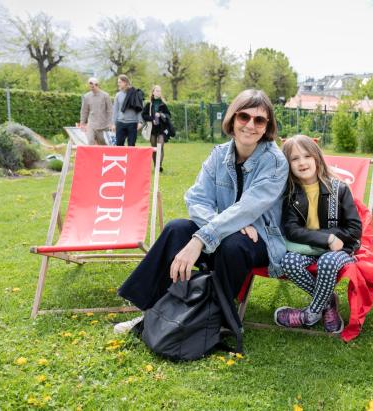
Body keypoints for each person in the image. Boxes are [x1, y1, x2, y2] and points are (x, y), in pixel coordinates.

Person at [114, 89, 289, 334]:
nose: (251, 125)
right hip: (224, 229)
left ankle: (212, 318)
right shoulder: (219, 154)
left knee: (233, 244)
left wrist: (202, 238)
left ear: (267, 125)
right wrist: (220, 225)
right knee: (177, 228)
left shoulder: (274, 161)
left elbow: (249, 207)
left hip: (261, 239)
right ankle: (150, 310)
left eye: (259, 120)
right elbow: (196, 198)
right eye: (244, 117)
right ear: (232, 118)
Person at [274, 135, 362, 334]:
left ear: (317, 158)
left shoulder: (339, 189)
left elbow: (355, 229)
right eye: (294, 159)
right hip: (309, 247)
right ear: (288, 164)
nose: (302, 162)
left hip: (341, 249)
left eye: (306, 156)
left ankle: (309, 315)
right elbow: (292, 230)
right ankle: (328, 302)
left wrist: (333, 240)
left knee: (327, 263)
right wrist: (326, 238)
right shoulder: (290, 194)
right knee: (288, 262)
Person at [142, 85, 172, 172]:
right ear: (153, 92)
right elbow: (144, 115)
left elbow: (168, 115)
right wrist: (152, 119)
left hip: (162, 129)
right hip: (152, 129)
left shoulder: (163, 104)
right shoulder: (149, 104)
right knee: (154, 148)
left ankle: (159, 166)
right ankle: (156, 166)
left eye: (160, 91)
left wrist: (161, 115)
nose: (159, 92)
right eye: (157, 91)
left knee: (160, 146)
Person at [111, 74, 142, 146]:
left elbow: (139, 108)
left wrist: (140, 121)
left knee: (131, 145)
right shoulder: (118, 95)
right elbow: (115, 110)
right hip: (120, 123)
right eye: (118, 82)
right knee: (119, 145)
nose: (118, 84)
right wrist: (113, 123)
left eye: (120, 82)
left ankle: (131, 158)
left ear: (125, 82)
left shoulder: (135, 93)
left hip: (132, 123)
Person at [79, 77, 112, 145]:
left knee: (102, 143)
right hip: (91, 124)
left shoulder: (105, 96)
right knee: (90, 141)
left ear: (97, 85)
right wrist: (82, 123)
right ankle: (90, 155)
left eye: (93, 86)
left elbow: (110, 110)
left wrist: (110, 123)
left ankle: (103, 154)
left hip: (102, 125)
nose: (91, 88)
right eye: (90, 86)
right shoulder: (86, 96)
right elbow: (84, 111)